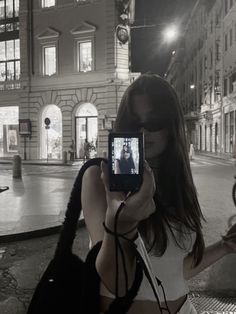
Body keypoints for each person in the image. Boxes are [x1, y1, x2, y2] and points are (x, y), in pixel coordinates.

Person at [81, 73, 236, 314]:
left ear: (171, 125)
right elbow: (117, 284)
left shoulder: (177, 180)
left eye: (154, 121)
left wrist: (225, 247)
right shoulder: (100, 179)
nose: (143, 131)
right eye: (134, 123)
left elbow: (175, 270)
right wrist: (121, 225)